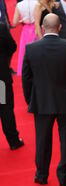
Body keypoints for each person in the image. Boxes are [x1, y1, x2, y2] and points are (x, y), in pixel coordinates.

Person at [22, 13, 66, 186]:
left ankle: (41, 174)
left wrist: (30, 99)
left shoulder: (31, 48)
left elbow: (26, 79)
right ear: (60, 27)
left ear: (43, 28)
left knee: (42, 139)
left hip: (42, 101)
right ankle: (64, 176)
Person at [0, 22, 24, 150]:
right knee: (4, 108)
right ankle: (13, 140)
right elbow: (12, 46)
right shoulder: (1, 27)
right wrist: (5, 59)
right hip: (1, 79)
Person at [12, 0, 37, 76]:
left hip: (26, 30)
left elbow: (14, 22)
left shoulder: (19, 5)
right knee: (37, 51)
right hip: (36, 28)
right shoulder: (38, 2)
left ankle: (26, 72)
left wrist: (22, 20)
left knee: (25, 52)